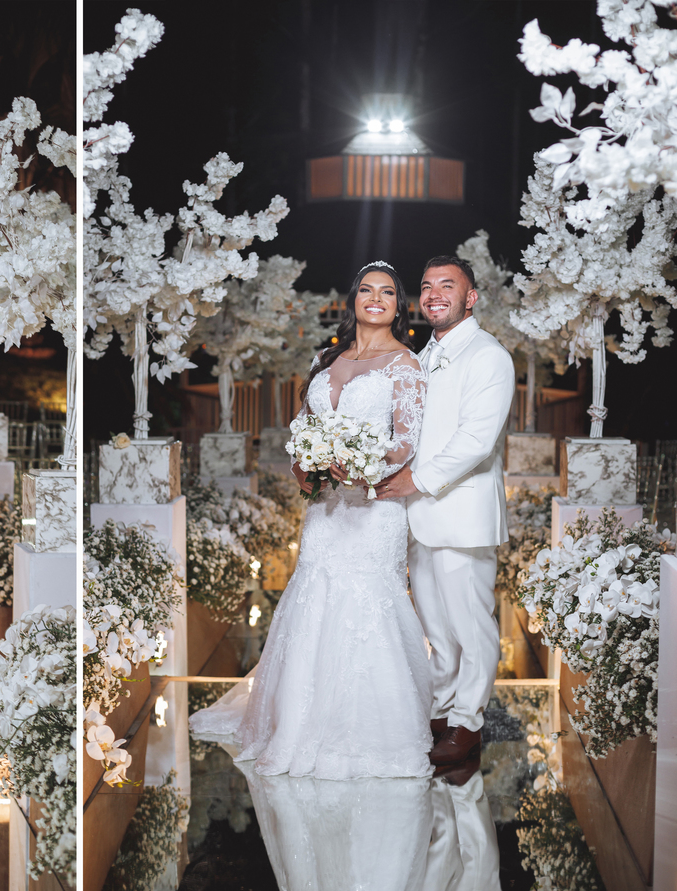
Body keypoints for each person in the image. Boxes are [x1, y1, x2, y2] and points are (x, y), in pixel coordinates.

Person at [190, 261, 432, 779]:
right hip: (325, 508)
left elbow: (408, 441)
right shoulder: (326, 358)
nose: (375, 299)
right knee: (314, 595)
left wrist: (364, 468)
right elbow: (305, 426)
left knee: (368, 601)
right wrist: (305, 465)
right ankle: (296, 726)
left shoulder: (406, 366)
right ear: (354, 300)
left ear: (398, 305)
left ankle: (370, 734)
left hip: (375, 508)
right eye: (366, 290)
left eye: (386, 292)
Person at [375, 255, 516, 769]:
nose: (434, 294)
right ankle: (440, 712)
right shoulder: (422, 353)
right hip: (420, 516)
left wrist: (414, 479)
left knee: (470, 626)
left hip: (462, 514)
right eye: (427, 285)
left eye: (447, 286)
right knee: (436, 628)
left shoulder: (488, 356)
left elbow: (476, 440)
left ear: (470, 297)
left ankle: (468, 724)